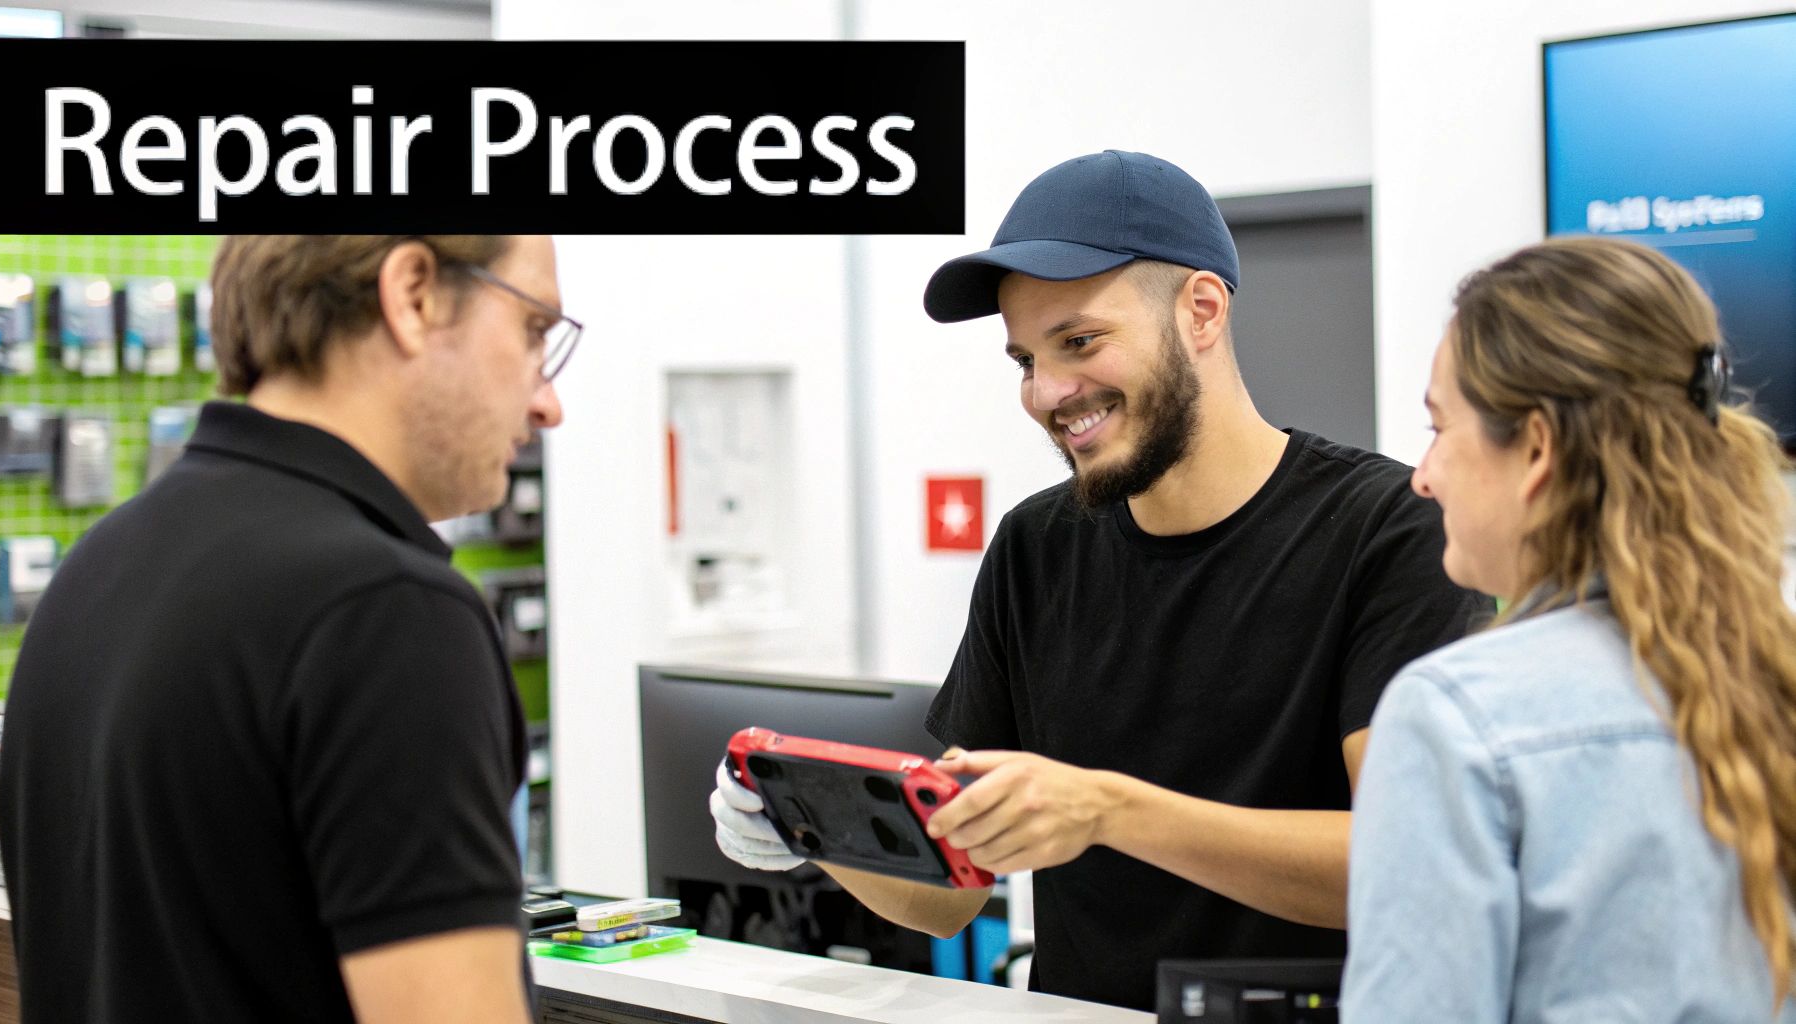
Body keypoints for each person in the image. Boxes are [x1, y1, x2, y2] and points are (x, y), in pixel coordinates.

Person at [710, 150, 1489, 1010]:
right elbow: (954, 892)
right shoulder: (1034, 549)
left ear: (1201, 311)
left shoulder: (1390, 531)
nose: (1048, 392)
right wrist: (812, 826)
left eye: (1079, 342)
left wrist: (1109, 810)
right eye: (1023, 360)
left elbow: (1403, 865)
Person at [0, 235, 573, 1023]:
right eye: (534, 331)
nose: (549, 402)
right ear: (413, 295)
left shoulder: (103, 562)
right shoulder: (386, 612)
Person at [1342, 237, 1796, 1021]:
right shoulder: (1772, 676)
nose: (1423, 474)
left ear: (1538, 448)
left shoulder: (1456, 717)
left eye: (1439, 428)